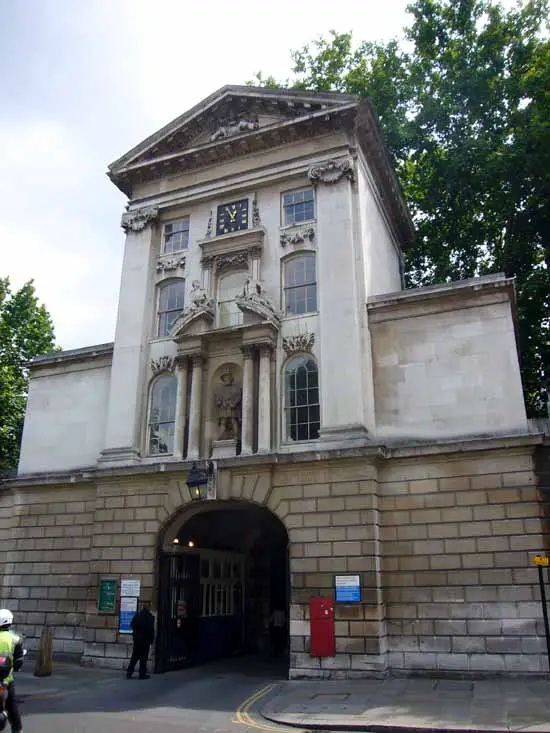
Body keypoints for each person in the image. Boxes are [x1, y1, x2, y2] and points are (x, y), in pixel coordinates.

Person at [0, 609, 25, 733]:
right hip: (6, 679)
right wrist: (16, 668)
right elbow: (18, 661)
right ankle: (17, 729)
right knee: (12, 705)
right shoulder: (16, 638)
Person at [126, 604, 155, 680]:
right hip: (145, 641)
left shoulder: (137, 616)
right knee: (143, 658)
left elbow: (132, 625)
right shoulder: (150, 617)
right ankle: (142, 674)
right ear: (148, 609)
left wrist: (135, 634)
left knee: (134, 657)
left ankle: (129, 672)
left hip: (137, 640)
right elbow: (151, 630)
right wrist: (151, 640)